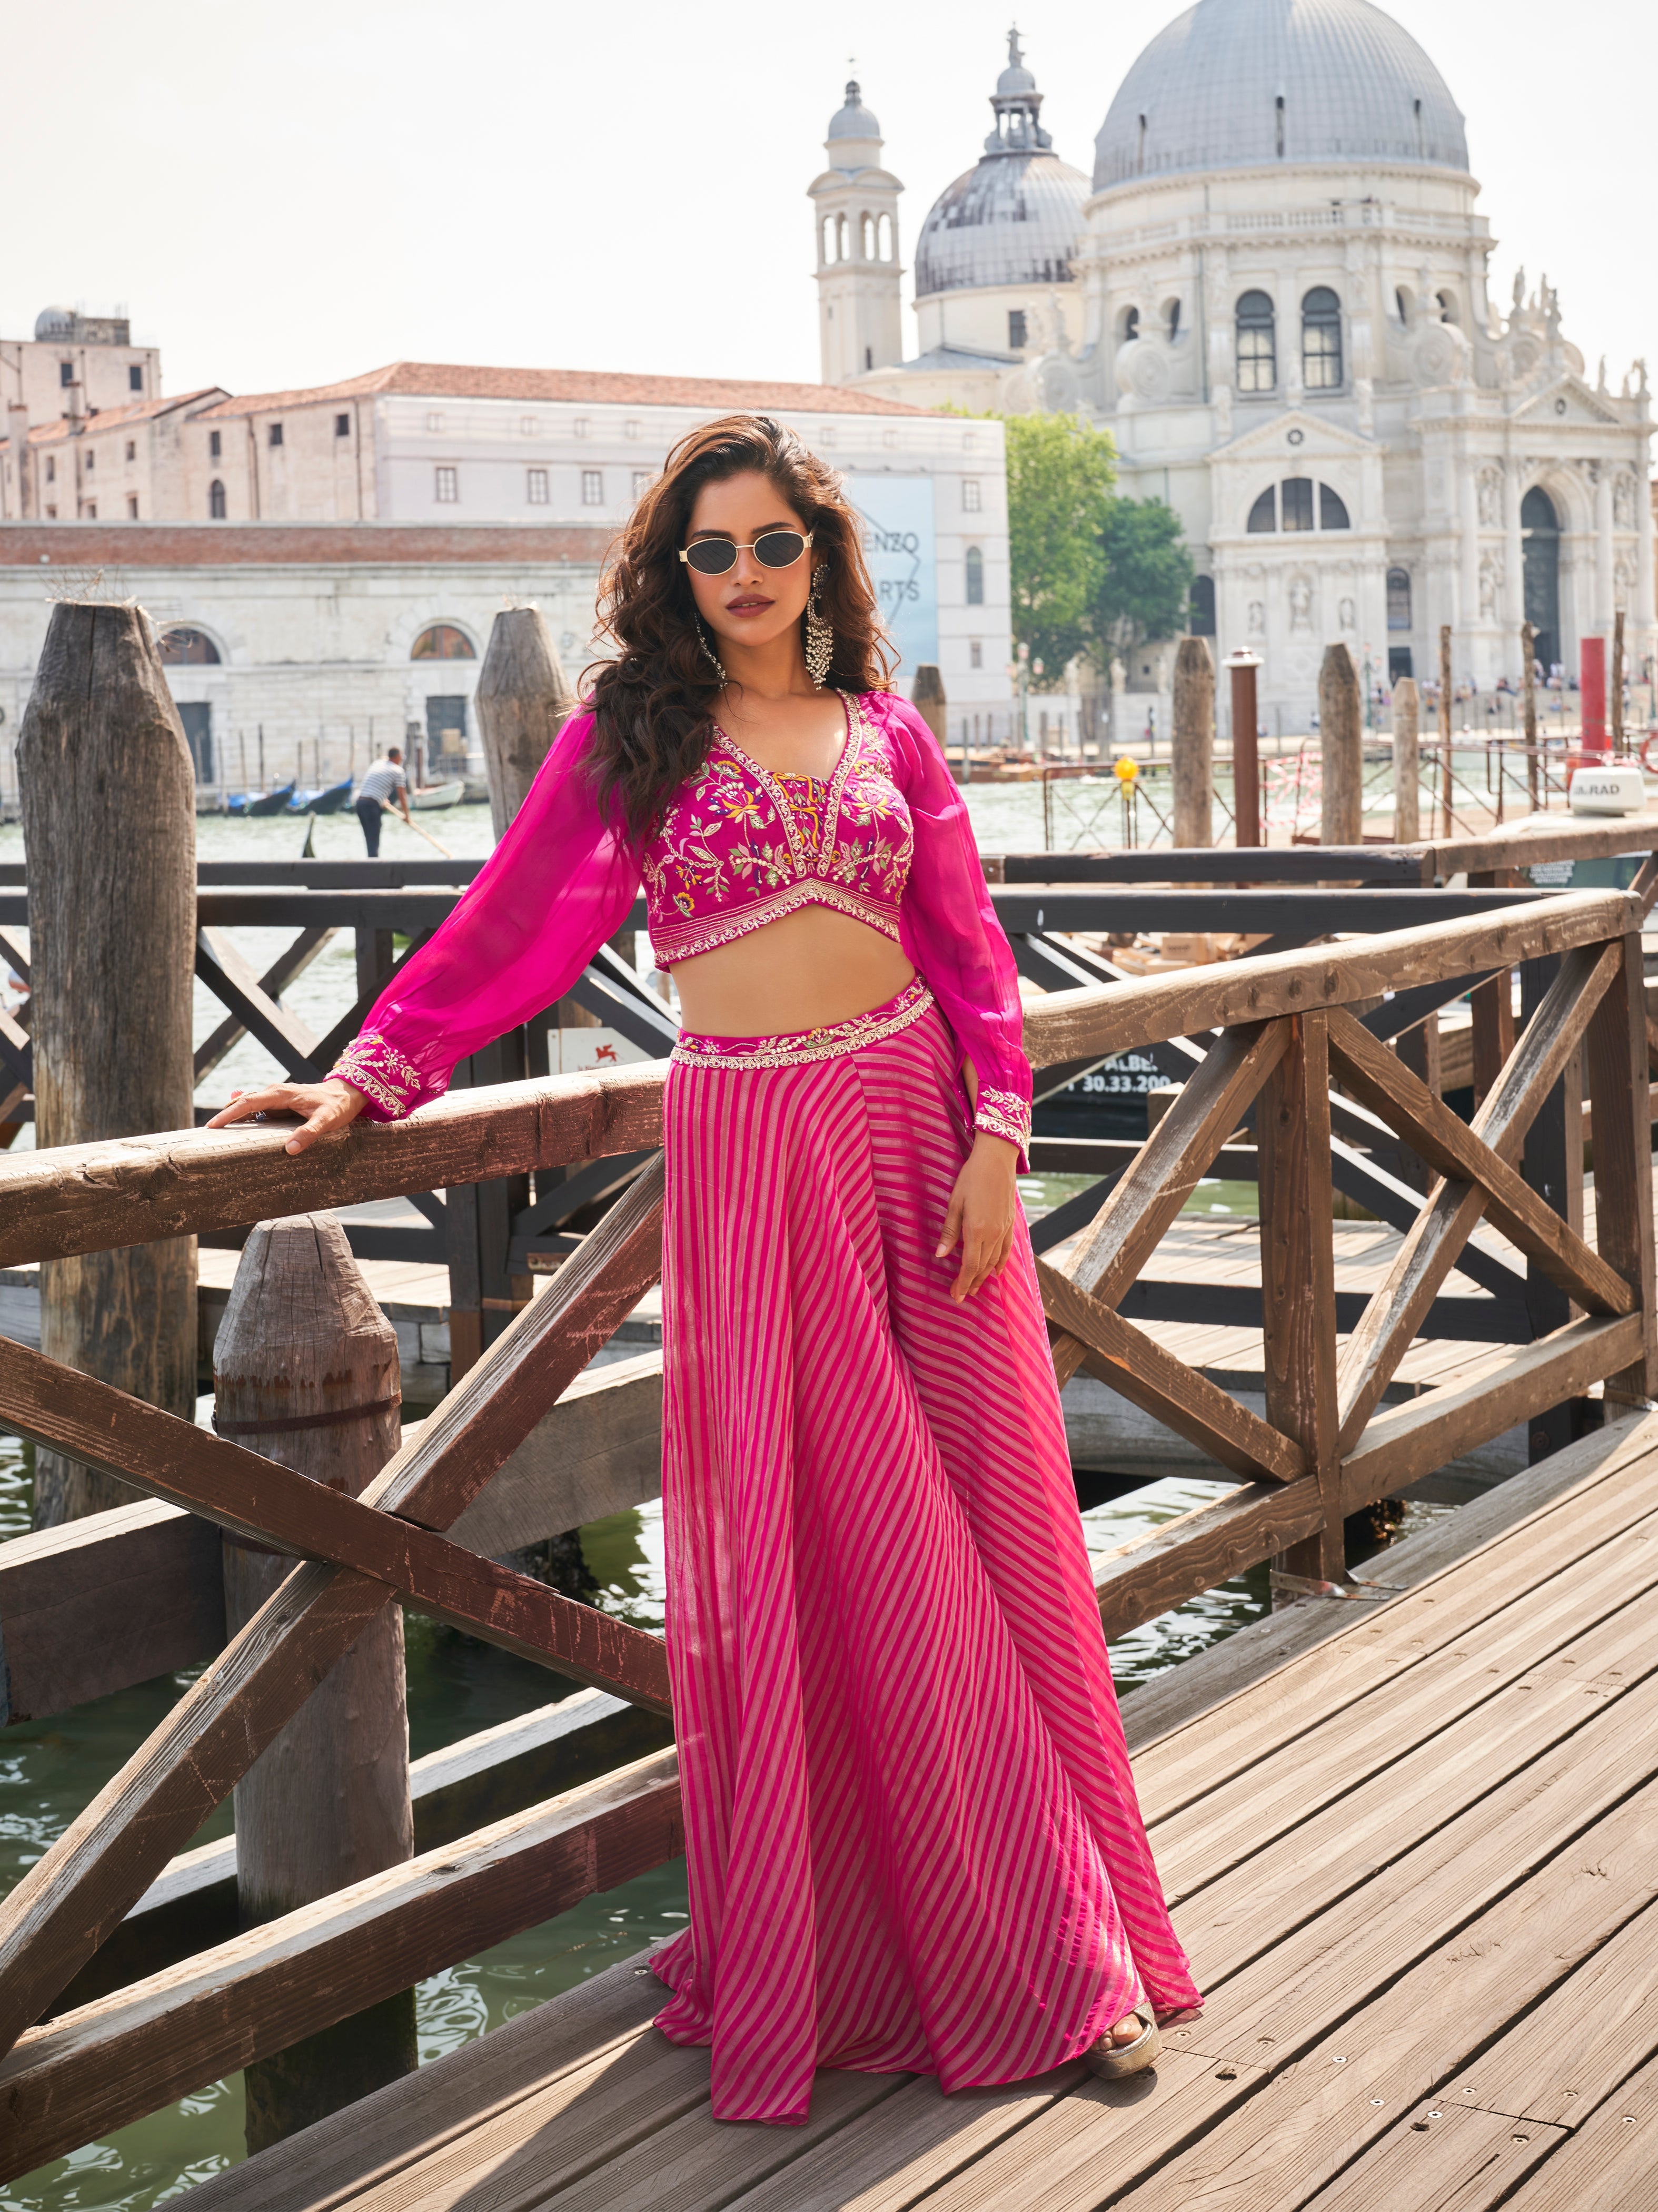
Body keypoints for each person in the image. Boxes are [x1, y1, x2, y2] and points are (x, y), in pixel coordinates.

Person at [208, 414, 1199, 2126]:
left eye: (770, 545)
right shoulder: (635, 742)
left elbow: (966, 951)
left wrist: (994, 1144)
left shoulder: (885, 727)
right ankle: (978, 1956)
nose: (742, 576)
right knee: (857, 1563)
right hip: (753, 1162)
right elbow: (506, 927)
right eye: (709, 552)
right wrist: (369, 1077)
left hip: (916, 1146)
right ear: (674, 577)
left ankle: (1056, 1936)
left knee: (980, 1539)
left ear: (817, 558)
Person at [353, 746, 412, 855]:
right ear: (398, 757)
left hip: (360, 804)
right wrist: (407, 816)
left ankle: (371, 863)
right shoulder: (398, 771)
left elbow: (377, 785)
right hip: (371, 806)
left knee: (369, 839)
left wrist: (382, 800)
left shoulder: (378, 763)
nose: (402, 760)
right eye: (401, 758)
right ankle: (374, 866)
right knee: (373, 840)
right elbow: (402, 796)